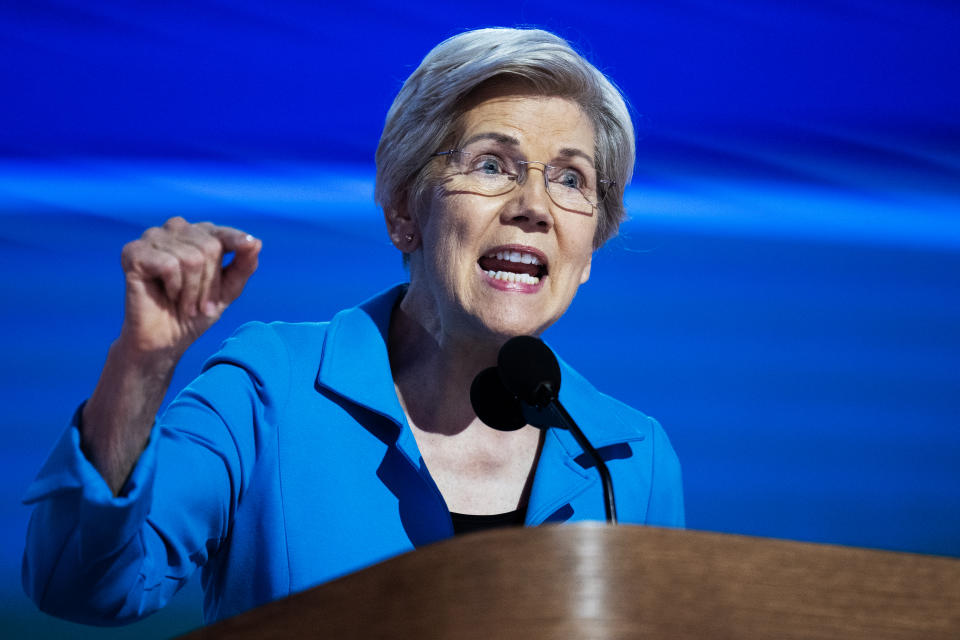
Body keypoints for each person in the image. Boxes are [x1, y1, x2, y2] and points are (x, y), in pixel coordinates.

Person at [22, 27, 684, 626]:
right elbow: (85, 585)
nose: (535, 206)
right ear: (403, 209)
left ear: (591, 243)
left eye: (571, 178)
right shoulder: (269, 389)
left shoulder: (631, 459)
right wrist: (143, 365)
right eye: (491, 165)